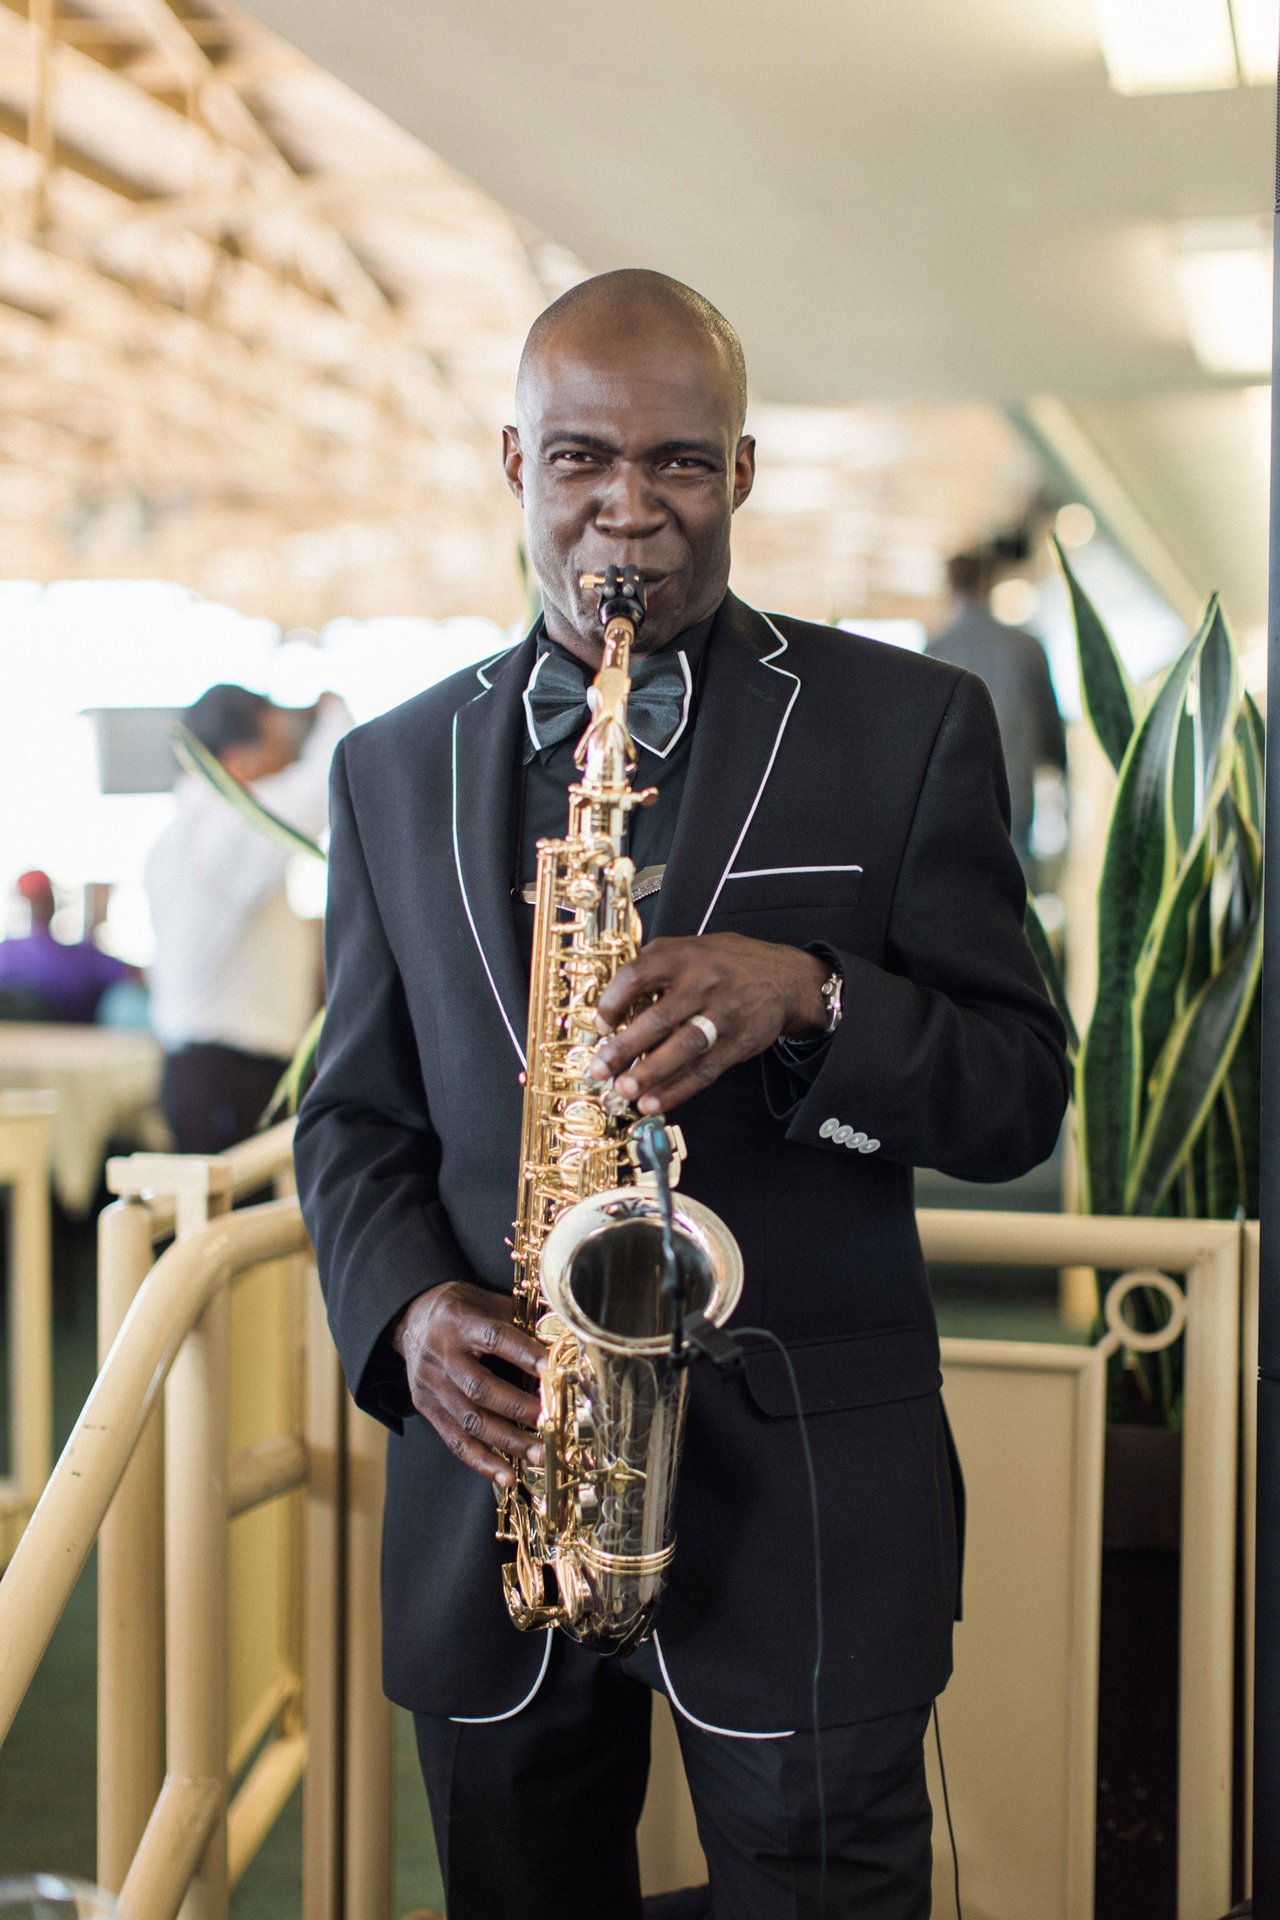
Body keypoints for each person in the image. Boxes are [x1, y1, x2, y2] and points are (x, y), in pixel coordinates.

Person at [294, 270, 1069, 1920]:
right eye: (582, 461)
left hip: (805, 1503)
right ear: (516, 463)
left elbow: (1015, 1101)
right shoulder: (390, 765)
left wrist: (813, 998)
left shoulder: (909, 724)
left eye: (680, 466)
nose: (628, 514)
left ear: (745, 471)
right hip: (504, 1492)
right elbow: (352, 1117)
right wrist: (413, 1313)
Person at [145, 684, 349, 1153]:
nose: (284, 766)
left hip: (208, 1071)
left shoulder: (179, 836)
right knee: (237, 1224)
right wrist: (332, 709)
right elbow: (330, 777)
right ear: (238, 761)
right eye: (278, 750)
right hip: (230, 1073)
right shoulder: (232, 825)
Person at [926, 552, 1067, 873]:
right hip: (1015, 794)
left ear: (948, 586)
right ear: (986, 581)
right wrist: (1061, 772)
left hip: (953, 802)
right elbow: (1051, 727)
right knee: (1015, 896)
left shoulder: (935, 650)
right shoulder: (1026, 646)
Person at [0, 870, 129, 1022]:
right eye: (34, 901)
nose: (37, 908)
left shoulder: (84, 957)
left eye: (41, 900)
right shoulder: (8, 953)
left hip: (77, 1038)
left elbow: (129, 974)